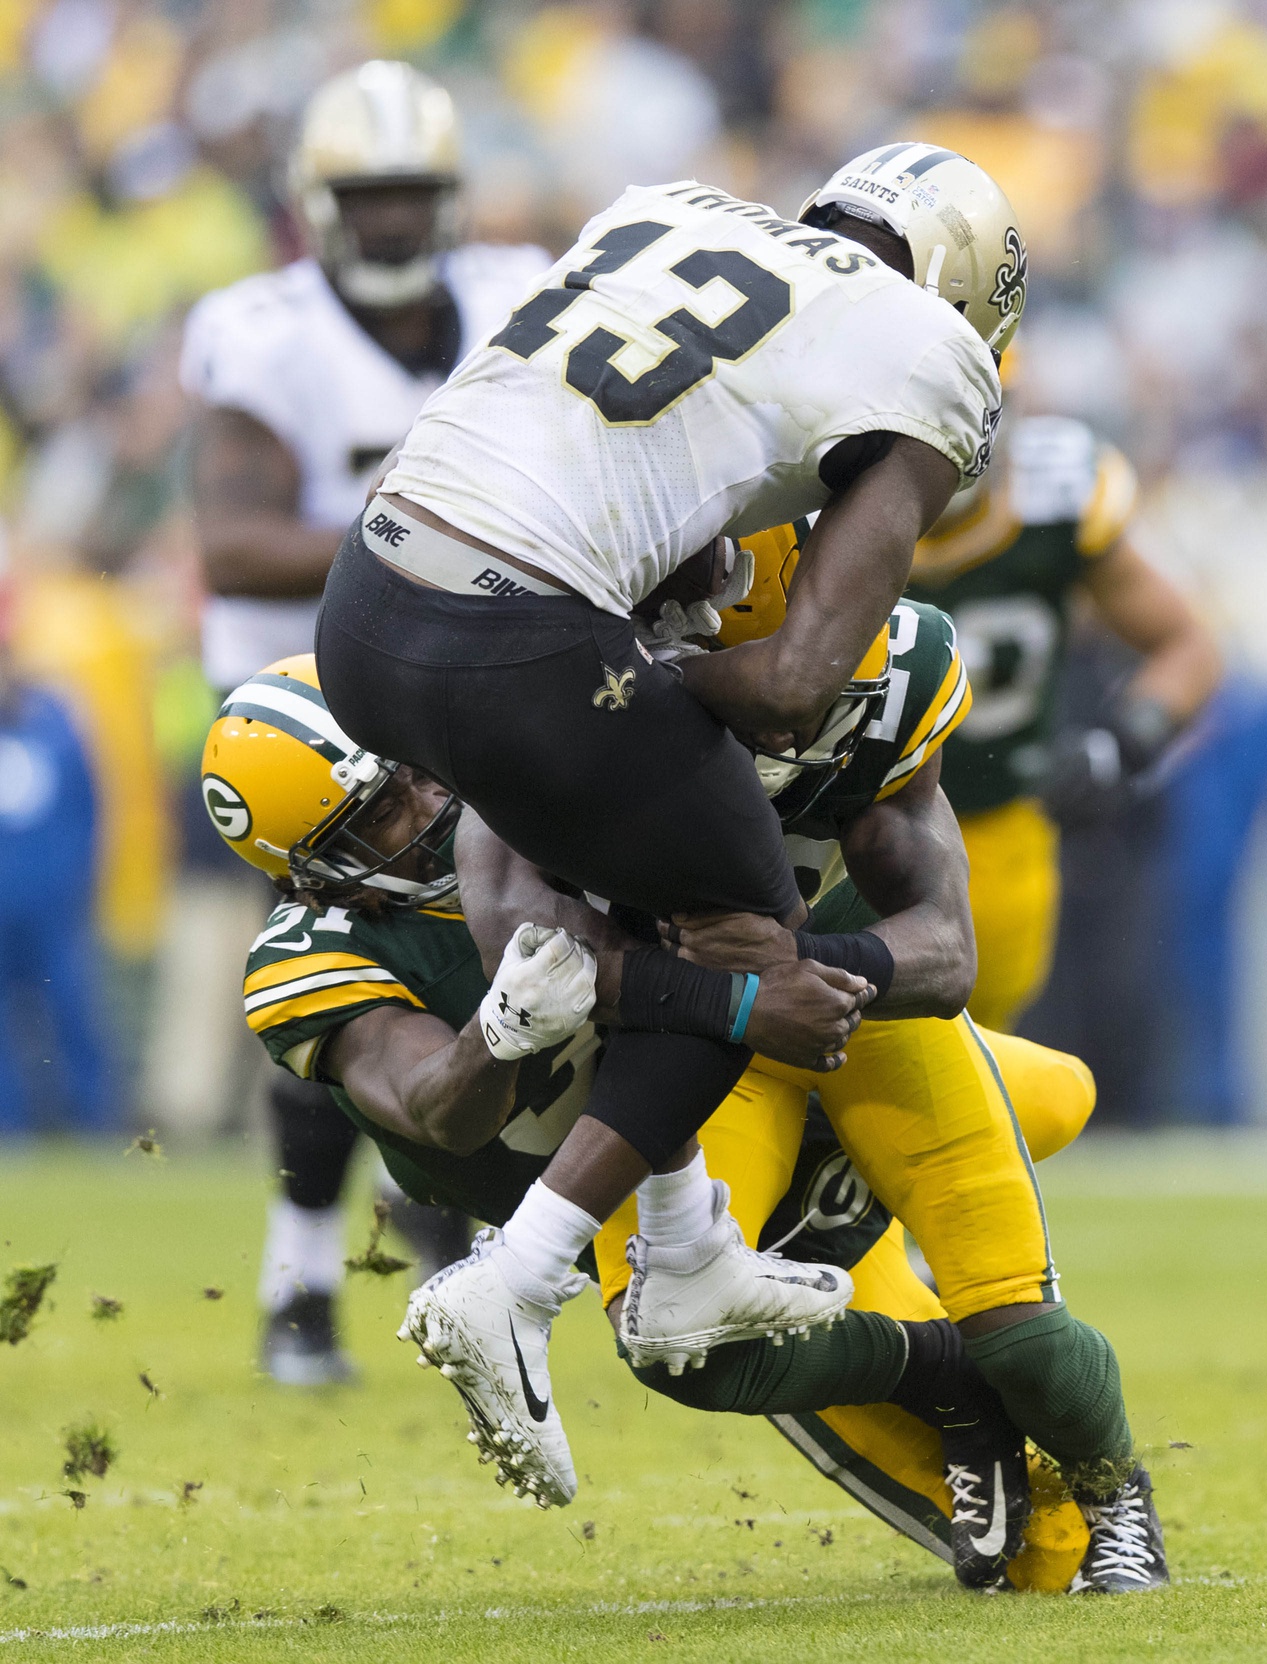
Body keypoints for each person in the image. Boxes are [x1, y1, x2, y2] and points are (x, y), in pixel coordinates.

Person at [314, 144, 1023, 1486]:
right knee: (748, 930)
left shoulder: (663, 208)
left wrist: (629, 677)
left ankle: (691, 1245)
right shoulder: (935, 359)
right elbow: (796, 684)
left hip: (364, 600)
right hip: (519, 640)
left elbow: (640, 474)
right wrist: (650, 686)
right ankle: (519, 1276)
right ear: (962, 292)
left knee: (661, 881)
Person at [203, 652, 1098, 1595]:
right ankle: (944, 1370)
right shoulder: (309, 958)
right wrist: (497, 1033)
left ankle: (898, 1226)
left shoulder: (537, 802)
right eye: (384, 809)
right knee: (1036, 1555)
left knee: (1058, 1096)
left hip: (772, 1065)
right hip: (695, 1162)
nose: (430, 802)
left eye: (418, 768)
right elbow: (436, 1111)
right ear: (321, 873)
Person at [461, 555, 1167, 1595]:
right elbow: (527, 948)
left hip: (858, 1017)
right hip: (693, 1053)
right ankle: (946, 1382)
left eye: (812, 683)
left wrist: (820, 972)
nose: (785, 721)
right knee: (676, 1343)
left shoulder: (893, 676)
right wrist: (737, 1002)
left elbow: (945, 949)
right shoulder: (587, 696)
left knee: (1014, 1323)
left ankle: (1119, 1494)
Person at [183, 60, 552, 1383]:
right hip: (299, 711)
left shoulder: (519, 299)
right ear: (317, 205)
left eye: (413, 195)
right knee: (333, 979)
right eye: (367, 196)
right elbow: (229, 543)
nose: (393, 222)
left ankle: (451, 1234)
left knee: (479, 947)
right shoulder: (265, 333)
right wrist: (434, 543)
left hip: (461, 686)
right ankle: (295, 1277)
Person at [904, 402, 1222, 1033]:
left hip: (999, 826)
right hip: (832, 828)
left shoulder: (1057, 500)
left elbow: (1191, 647)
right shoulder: (810, 497)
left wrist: (1122, 744)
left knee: (978, 1053)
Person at [0, 607, 113, 1136]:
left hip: (53, 904)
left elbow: (89, 807)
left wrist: (83, 881)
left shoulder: (55, 720)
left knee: (74, 1009)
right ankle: (12, 1127)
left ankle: (95, 1121)